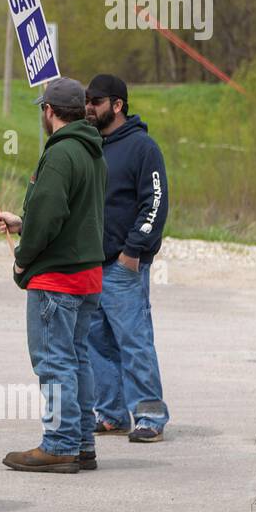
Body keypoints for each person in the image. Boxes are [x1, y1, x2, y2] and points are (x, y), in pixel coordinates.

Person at [0, 77, 106, 473]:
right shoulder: (92, 151)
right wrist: (23, 222)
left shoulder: (60, 154)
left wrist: (24, 256)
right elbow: (72, 214)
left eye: (43, 108)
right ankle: (81, 442)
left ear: (50, 111)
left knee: (54, 364)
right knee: (77, 360)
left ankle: (59, 444)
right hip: (88, 272)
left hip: (57, 278)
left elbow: (51, 215)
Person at [84, 74, 170, 443]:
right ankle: (111, 414)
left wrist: (133, 252)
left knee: (134, 340)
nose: (89, 107)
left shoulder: (142, 147)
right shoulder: (90, 147)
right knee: (97, 343)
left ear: (117, 105)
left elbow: (156, 202)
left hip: (123, 266)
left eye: (96, 101)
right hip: (89, 264)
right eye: (87, 100)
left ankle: (149, 415)